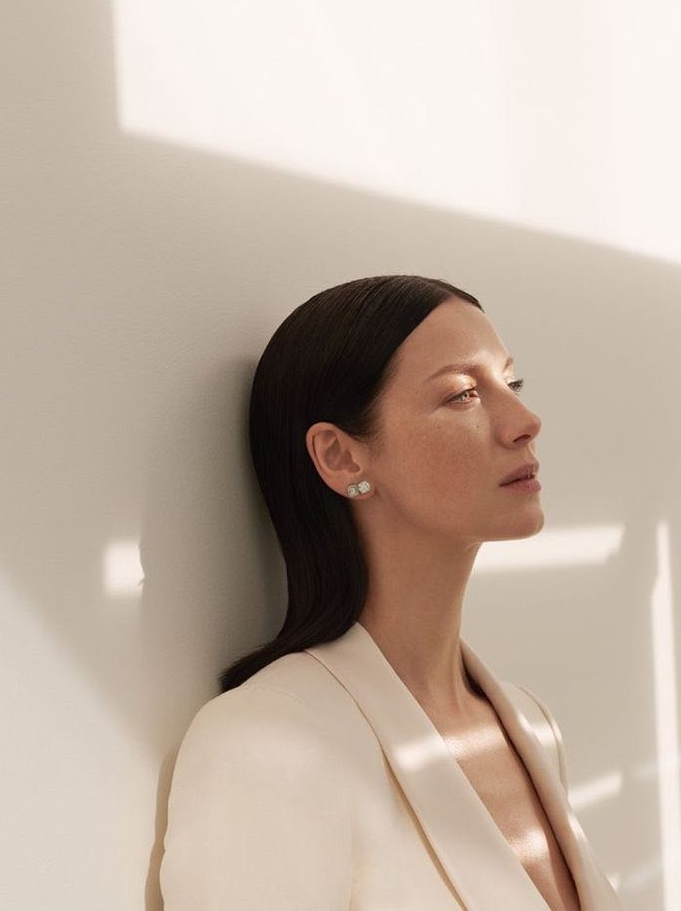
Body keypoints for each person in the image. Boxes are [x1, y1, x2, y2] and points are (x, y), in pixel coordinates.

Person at [159, 274, 624, 909]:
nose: (524, 420)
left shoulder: (530, 724)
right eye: (463, 394)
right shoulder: (267, 740)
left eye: (510, 384)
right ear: (342, 458)